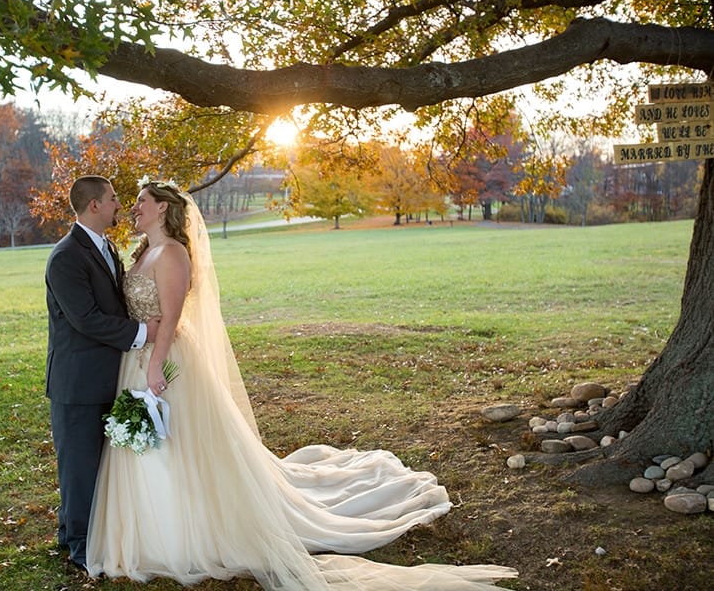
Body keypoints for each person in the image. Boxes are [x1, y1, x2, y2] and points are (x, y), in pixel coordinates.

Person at [85, 179, 517, 590]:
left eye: (141, 201)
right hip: (135, 360)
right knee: (153, 446)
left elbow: (174, 317)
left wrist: (157, 364)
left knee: (178, 443)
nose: (133, 208)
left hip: (166, 362)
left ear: (162, 207)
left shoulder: (174, 254)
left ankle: (186, 530)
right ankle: (151, 529)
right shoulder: (143, 251)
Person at [45, 175, 159, 569]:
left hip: (106, 374)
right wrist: (145, 332)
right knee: (79, 467)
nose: (119, 205)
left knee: (95, 464)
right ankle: (80, 547)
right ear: (94, 205)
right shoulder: (65, 257)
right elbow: (86, 319)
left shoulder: (107, 246)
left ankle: (69, 532)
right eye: (113, 199)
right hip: (76, 382)